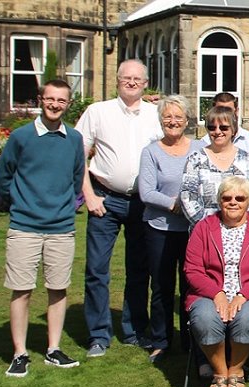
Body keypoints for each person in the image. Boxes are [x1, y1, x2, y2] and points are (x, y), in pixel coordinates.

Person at [0, 79, 85, 377]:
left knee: (58, 289)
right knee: (22, 290)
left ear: (68, 104)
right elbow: (3, 179)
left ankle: (53, 349)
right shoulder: (21, 137)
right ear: (40, 100)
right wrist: (19, 204)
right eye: (50, 99)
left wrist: (65, 207)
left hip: (61, 227)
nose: (55, 104)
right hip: (25, 226)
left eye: (61, 100)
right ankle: (19, 353)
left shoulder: (74, 139)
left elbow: (76, 179)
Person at [77, 59, 162, 357]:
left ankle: (134, 331)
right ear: (116, 80)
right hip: (105, 199)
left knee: (139, 270)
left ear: (146, 83)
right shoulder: (97, 112)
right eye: (126, 77)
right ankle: (99, 335)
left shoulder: (156, 114)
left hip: (143, 202)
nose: (131, 82)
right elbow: (78, 154)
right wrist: (88, 195)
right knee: (97, 270)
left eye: (137, 79)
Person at [183, 176, 249, 387]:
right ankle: (219, 373)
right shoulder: (203, 228)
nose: (233, 202)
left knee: (248, 318)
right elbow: (192, 269)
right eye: (227, 198)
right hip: (208, 293)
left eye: (240, 198)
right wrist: (217, 294)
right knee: (205, 318)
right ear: (219, 201)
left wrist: (242, 295)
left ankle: (236, 370)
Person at [136, 95, 196, 363]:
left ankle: (190, 338)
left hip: (192, 228)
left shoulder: (198, 148)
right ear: (161, 120)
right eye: (168, 117)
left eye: (178, 117)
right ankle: (160, 341)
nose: (173, 121)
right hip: (159, 227)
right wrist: (175, 204)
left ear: (186, 120)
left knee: (190, 285)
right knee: (161, 285)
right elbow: (146, 191)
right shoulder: (151, 151)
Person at [181, 106, 249, 225]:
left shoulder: (247, 160)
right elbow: (187, 197)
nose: (218, 132)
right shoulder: (195, 159)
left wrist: (237, 224)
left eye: (224, 127)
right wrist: (208, 227)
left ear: (233, 130)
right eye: (212, 127)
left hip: (240, 230)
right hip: (204, 231)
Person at [200, 92, 249, 160]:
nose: (224, 114)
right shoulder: (204, 142)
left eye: (228, 110)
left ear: (236, 111)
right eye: (220, 110)